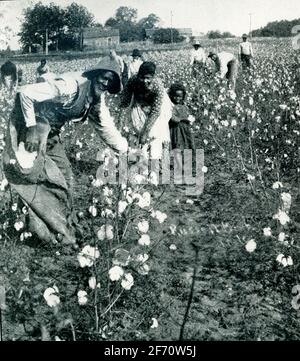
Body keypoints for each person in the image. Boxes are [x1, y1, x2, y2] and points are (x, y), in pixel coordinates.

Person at [2, 56, 128, 246]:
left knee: (66, 178)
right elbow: (25, 93)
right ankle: (36, 231)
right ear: (95, 74)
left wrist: (125, 150)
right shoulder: (71, 86)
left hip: (50, 136)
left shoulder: (94, 101)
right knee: (31, 179)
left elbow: (106, 128)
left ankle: (64, 227)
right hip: (27, 130)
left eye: (110, 81)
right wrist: (31, 129)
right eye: (104, 77)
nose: (105, 83)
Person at [119, 61, 172, 160]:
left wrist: (145, 132)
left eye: (148, 78)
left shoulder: (157, 86)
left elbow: (156, 111)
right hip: (139, 103)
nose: (144, 81)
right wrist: (119, 124)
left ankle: (156, 159)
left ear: (153, 77)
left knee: (154, 133)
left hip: (156, 107)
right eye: (142, 77)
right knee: (135, 130)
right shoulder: (132, 81)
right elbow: (125, 103)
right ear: (138, 75)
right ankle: (137, 157)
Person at [168, 83, 195, 185]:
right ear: (171, 95)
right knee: (177, 148)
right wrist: (181, 119)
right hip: (176, 130)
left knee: (186, 147)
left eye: (180, 96)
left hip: (185, 131)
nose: (177, 98)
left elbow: (188, 116)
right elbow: (172, 117)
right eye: (175, 96)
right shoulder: (172, 107)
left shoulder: (184, 106)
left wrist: (189, 119)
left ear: (183, 96)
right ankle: (179, 167)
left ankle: (185, 167)